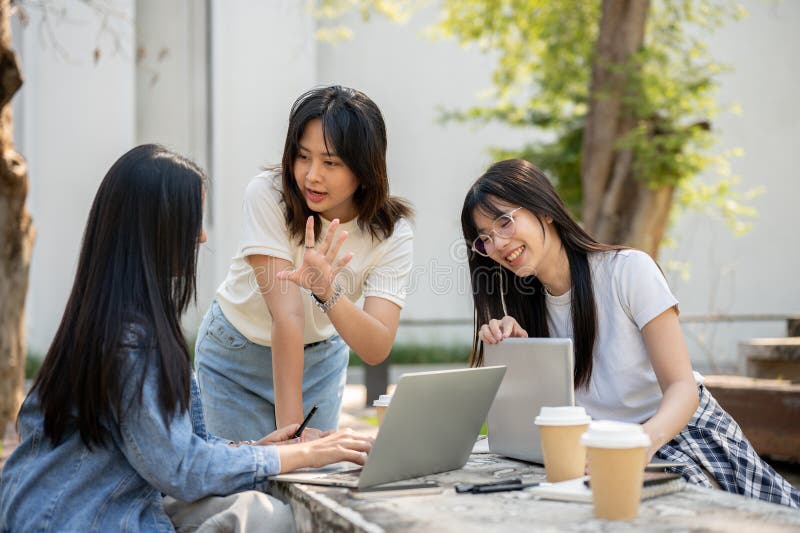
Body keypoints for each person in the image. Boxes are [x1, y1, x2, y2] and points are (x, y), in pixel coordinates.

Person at [0, 145, 374, 532]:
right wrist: (305, 455)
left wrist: (258, 450)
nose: (201, 235)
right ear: (156, 228)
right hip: (78, 521)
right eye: (192, 219)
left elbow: (175, 447)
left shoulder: (112, 320)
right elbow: (181, 468)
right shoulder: (131, 342)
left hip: (77, 509)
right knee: (269, 518)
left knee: (258, 512)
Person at [460, 158, 799, 508]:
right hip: (603, 448)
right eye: (484, 240)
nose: (498, 245)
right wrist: (519, 358)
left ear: (544, 210)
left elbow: (683, 388)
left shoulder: (628, 271)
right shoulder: (525, 309)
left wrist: (637, 445)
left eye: (504, 222)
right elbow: (551, 423)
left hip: (680, 434)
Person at [194, 86, 414, 440]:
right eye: (302, 157)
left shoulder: (392, 233)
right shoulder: (268, 195)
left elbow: (376, 346)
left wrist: (327, 290)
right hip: (236, 355)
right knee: (243, 483)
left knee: (311, 484)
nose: (312, 175)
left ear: (364, 167)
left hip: (320, 362)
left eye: (330, 162)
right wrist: (294, 437)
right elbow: (288, 316)